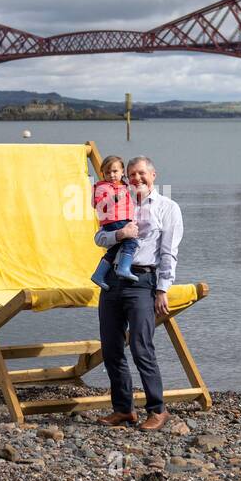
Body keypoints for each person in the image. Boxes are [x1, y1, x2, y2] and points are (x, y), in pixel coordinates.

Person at [93, 156, 183, 432]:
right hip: (111, 282)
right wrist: (119, 235)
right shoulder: (119, 200)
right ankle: (123, 409)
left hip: (142, 281)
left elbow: (169, 253)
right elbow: (99, 238)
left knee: (142, 347)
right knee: (111, 347)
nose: (136, 179)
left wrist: (162, 289)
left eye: (141, 173)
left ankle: (157, 409)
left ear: (153, 175)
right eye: (131, 175)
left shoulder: (168, 208)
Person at [90, 154, 138, 289]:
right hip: (114, 219)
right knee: (131, 241)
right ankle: (124, 268)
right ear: (102, 174)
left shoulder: (124, 184)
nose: (111, 175)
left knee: (115, 248)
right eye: (107, 172)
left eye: (115, 171)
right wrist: (114, 198)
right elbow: (97, 204)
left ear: (123, 172)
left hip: (121, 218)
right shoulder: (101, 187)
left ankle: (99, 274)